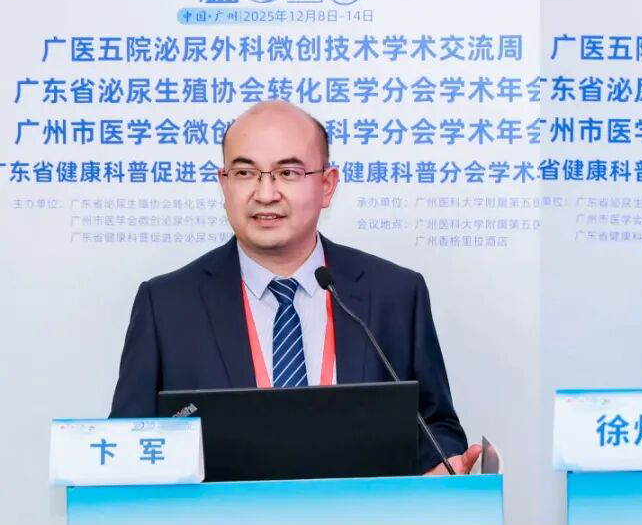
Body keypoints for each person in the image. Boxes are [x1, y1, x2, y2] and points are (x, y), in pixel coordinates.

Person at [110, 100, 480, 474]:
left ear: (327, 185)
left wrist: (439, 466)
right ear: (224, 183)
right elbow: (127, 448)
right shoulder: (167, 306)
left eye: (287, 173)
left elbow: (435, 426)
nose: (265, 194)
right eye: (245, 172)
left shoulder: (395, 294)